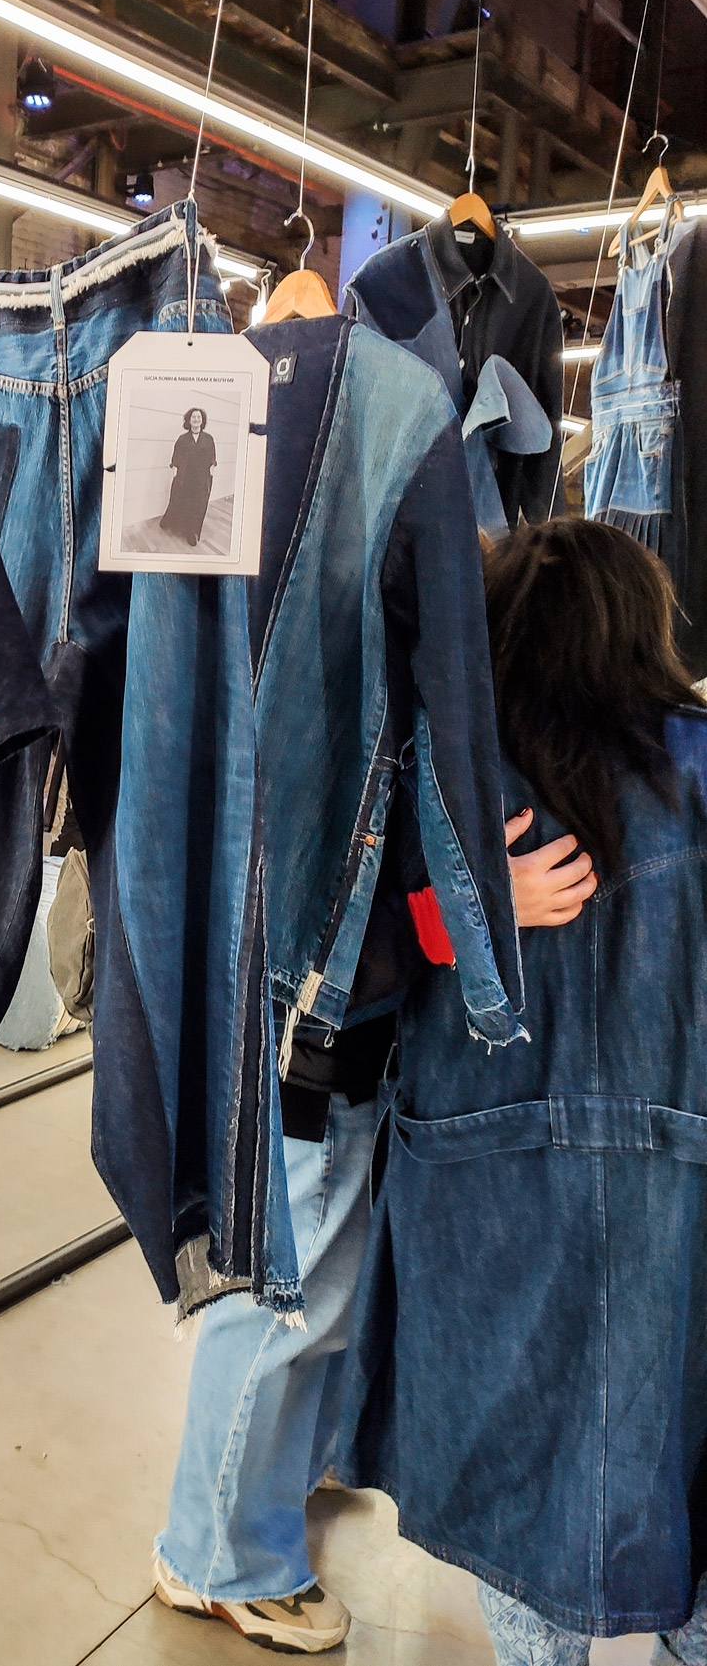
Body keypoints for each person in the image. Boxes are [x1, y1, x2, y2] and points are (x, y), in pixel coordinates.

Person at [151, 684, 597, 1652]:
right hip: (310, 1048)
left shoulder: (375, 661)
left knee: (324, 1298)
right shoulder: (328, 671)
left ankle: (275, 1480)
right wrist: (467, 911)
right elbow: (308, 906)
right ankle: (215, 1556)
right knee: (281, 1304)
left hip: (348, 1044)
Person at [334, 519, 707, 1665]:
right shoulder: (697, 768)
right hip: (678, 1196)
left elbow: (326, 979)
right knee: (687, 1471)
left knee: (517, 1501)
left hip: (479, 1204)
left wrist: (456, 912)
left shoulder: (438, 776)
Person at [160, 406, 217, 546]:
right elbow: (176, 458)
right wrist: (175, 474)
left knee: (197, 505)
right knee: (179, 501)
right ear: (189, 420)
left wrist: (211, 472)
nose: (196, 419)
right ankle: (170, 521)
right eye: (193, 417)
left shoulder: (208, 439)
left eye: (199, 417)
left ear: (202, 420)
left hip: (201, 478)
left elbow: (212, 458)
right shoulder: (182, 439)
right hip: (184, 478)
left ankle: (191, 532)